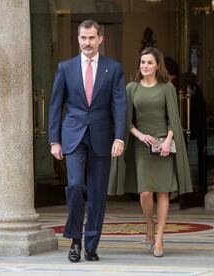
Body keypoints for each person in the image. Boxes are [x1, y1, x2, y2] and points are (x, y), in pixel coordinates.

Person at [48, 19, 127, 263]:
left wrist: (119, 137)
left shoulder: (113, 69)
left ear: (100, 39)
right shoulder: (66, 67)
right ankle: (74, 240)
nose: (87, 43)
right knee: (74, 186)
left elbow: (120, 106)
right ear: (78, 38)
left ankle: (91, 244)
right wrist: (54, 140)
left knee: (96, 193)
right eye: (83, 38)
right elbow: (55, 105)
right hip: (73, 137)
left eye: (92, 38)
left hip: (103, 138)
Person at [108, 47, 192, 257]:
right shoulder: (131, 88)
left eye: (149, 63)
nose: (145, 66)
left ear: (157, 66)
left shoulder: (167, 88)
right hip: (141, 146)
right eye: (142, 62)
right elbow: (125, 121)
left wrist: (167, 141)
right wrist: (140, 135)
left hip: (163, 144)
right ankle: (149, 226)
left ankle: (160, 239)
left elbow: (174, 119)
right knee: (146, 191)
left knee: (163, 192)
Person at [181, 72, 208, 206]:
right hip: (183, 133)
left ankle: (198, 193)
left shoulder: (198, 93)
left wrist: (203, 140)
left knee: (198, 165)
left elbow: (202, 116)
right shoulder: (179, 93)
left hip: (196, 132)